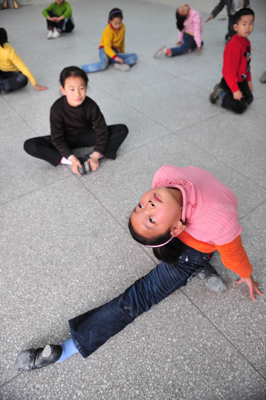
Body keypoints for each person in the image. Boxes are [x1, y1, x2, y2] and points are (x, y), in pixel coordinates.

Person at [15, 165, 263, 373]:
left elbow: (232, 254)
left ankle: (200, 265)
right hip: (190, 238)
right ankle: (66, 349)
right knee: (141, 291)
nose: (148, 205)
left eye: (143, 209)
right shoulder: (169, 183)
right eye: (147, 214)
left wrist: (246, 275)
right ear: (175, 230)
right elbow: (229, 250)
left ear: (176, 228)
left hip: (198, 246)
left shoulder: (198, 205)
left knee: (147, 290)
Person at [23, 66, 128, 175]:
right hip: (66, 139)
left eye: (81, 88)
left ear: (86, 88)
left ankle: (92, 158)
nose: (77, 94)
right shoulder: (56, 109)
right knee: (30, 144)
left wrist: (95, 156)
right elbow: (57, 138)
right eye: (72, 89)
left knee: (121, 129)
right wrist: (72, 159)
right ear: (63, 90)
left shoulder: (91, 105)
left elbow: (101, 131)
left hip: (87, 135)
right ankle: (67, 161)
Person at [209, 8, 254, 114]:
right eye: (244, 24)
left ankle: (234, 93)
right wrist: (234, 89)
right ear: (235, 27)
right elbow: (228, 71)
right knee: (240, 108)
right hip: (230, 81)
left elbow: (247, 63)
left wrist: (249, 80)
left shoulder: (246, 42)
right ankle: (221, 92)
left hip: (241, 79)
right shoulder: (233, 46)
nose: (248, 27)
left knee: (249, 99)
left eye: (251, 23)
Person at [81, 8, 137, 73]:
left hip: (114, 52)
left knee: (134, 56)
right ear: (110, 21)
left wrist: (121, 54)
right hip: (105, 50)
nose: (118, 25)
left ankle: (119, 64)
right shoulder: (108, 31)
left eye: (120, 23)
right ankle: (82, 68)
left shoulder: (123, 27)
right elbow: (107, 48)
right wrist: (117, 58)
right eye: (115, 23)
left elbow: (122, 42)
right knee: (103, 65)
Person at [0, 28, 47, 93]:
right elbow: (23, 68)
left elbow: (23, 68)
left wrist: (35, 84)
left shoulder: (9, 50)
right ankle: (4, 86)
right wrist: (35, 85)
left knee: (22, 79)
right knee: (22, 79)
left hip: (11, 72)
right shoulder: (8, 50)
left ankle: (3, 85)